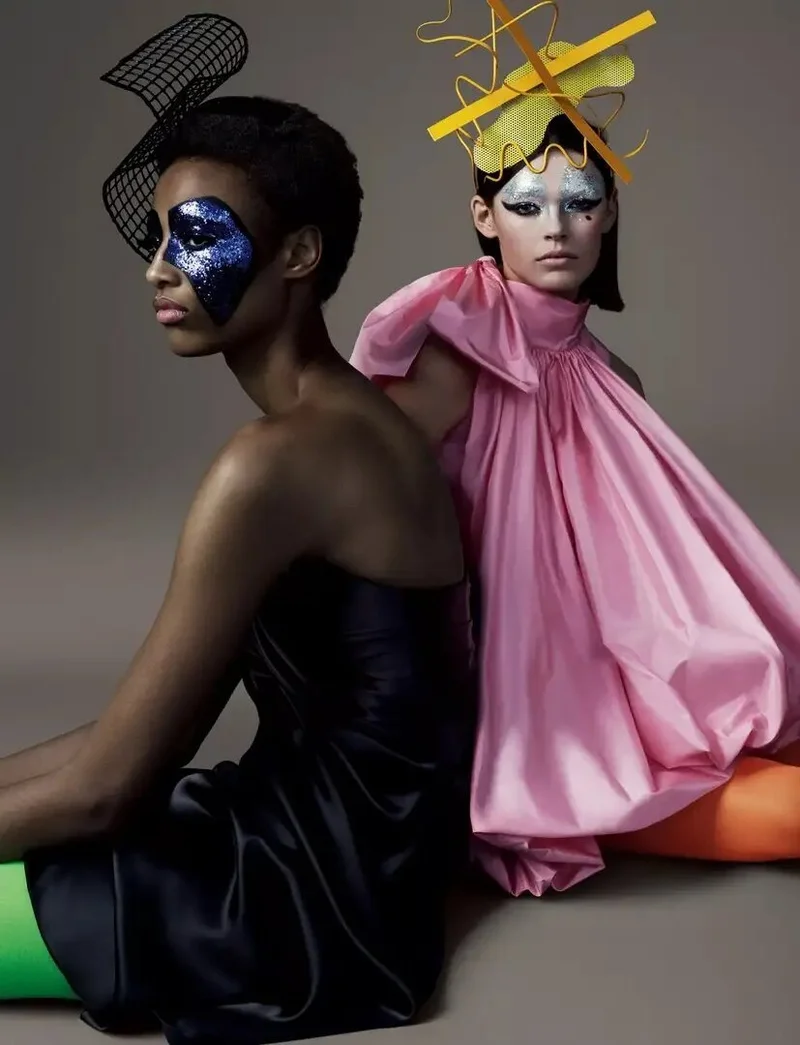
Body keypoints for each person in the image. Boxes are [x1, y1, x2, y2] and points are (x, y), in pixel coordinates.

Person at [0, 15, 475, 1044]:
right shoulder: (351, 421)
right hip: (338, 847)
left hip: (307, 900)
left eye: (197, 235)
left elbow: (104, 792)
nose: (158, 268)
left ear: (298, 252)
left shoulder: (274, 464)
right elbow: (135, 737)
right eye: (159, 237)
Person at [351, 86, 800, 895]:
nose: (556, 226)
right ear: (485, 217)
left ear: (609, 212)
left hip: (644, 674)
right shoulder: (462, 352)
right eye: (526, 205)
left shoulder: (610, 374)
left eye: (580, 201)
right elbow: (355, 487)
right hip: (538, 719)